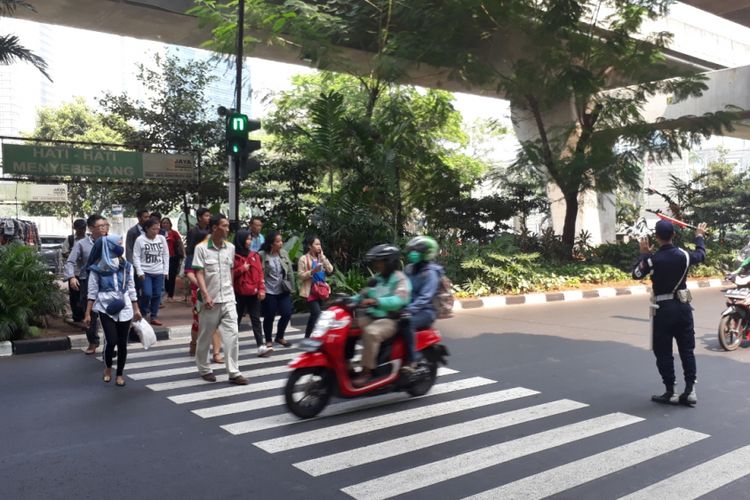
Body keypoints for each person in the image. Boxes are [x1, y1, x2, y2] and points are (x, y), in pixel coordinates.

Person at [632, 220, 707, 406]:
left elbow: (636, 274)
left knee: (663, 352)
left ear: (656, 238)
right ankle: (690, 391)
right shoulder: (684, 256)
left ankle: (670, 391)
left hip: (663, 311)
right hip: (683, 308)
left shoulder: (652, 259)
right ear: (673, 235)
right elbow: (701, 254)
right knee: (687, 350)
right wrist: (699, 236)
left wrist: (644, 254)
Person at [192, 213, 248, 385]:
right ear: (215, 227)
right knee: (205, 336)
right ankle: (204, 368)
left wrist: (231, 289)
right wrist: (206, 294)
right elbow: (198, 272)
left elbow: (230, 270)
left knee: (233, 335)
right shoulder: (201, 248)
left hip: (228, 298)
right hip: (210, 301)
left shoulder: (230, 248)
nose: (227, 229)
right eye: (224, 226)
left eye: (228, 226)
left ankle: (233, 371)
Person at [83, 235, 142, 387]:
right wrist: (88, 313)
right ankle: (108, 368)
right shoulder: (97, 268)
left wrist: (136, 308)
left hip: (125, 306)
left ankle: (120, 374)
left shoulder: (127, 266)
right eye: (118, 244)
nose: (120, 247)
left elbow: (131, 287)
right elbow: (92, 291)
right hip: (105, 307)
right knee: (112, 340)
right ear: (108, 247)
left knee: (122, 343)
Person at [351, 244, 411, 387]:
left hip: (390, 319)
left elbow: (400, 299)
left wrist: (377, 301)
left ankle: (367, 372)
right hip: (373, 316)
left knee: (371, 333)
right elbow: (363, 294)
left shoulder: (400, 279)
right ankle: (346, 364)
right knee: (347, 327)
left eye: (380, 261)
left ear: (390, 262)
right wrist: (346, 300)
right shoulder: (377, 279)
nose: (377, 265)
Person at [64, 214, 109, 354]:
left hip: (107, 281)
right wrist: (71, 277)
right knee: (90, 313)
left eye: (106, 226)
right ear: (91, 228)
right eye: (100, 226)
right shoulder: (81, 244)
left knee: (109, 312)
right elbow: (70, 261)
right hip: (87, 281)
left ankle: (110, 343)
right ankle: (93, 341)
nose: (104, 229)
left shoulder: (111, 242)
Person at [184, 207, 222, 359]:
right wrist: (201, 286)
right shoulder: (194, 254)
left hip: (215, 288)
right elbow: (189, 273)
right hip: (199, 290)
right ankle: (194, 344)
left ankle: (217, 352)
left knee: (216, 321)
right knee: (198, 321)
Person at [403, 236, 441, 370]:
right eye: (412, 250)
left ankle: (413, 358)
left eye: (417, 251)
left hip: (426, 311)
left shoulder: (430, 273)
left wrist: (409, 309)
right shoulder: (408, 269)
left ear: (426, 253)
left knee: (406, 322)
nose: (413, 253)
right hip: (408, 308)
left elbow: (425, 297)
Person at [233, 230, 267, 356]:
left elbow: (259, 273)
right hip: (239, 293)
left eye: (250, 239)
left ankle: (261, 345)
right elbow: (229, 274)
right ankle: (232, 345)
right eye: (247, 239)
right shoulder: (234, 256)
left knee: (256, 319)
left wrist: (262, 289)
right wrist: (241, 269)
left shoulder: (255, 255)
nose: (249, 241)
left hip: (253, 292)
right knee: (235, 320)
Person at [259, 231, 295, 349]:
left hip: (282, 289)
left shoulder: (283, 253)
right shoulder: (262, 255)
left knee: (287, 313)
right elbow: (258, 273)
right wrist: (260, 289)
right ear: (271, 243)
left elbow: (289, 271)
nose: (281, 243)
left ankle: (279, 336)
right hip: (269, 290)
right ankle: (268, 339)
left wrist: (292, 288)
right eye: (278, 241)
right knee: (269, 315)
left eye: (281, 241)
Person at [133, 217, 169, 326]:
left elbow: (165, 254)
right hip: (145, 272)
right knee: (147, 293)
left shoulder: (161, 239)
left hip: (158, 271)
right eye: (153, 229)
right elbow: (136, 256)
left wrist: (165, 270)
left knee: (157, 294)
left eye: (158, 229)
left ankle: (154, 315)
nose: (156, 231)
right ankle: (143, 312)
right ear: (147, 229)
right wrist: (139, 272)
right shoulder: (140, 240)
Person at [298, 235, 334, 338]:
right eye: (316, 244)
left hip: (322, 291)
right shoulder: (303, 259)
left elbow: (330, 270)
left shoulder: (321, 258)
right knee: (317, 313)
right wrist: (313, 271)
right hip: (311, 291)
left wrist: (323, 258)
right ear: (310, 246)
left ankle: (308, 336)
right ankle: (314, 336)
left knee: (315, 315)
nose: (319, 246)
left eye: (319, 244)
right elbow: (300, 275)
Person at [62, 218, 87, 324]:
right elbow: (64, 253)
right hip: (74, 273)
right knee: (75, 296)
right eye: (80, 228)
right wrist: (74, 255)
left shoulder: (89, 239)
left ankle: (86, 314)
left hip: (85, 273)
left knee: (85, 295)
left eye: (84, 228)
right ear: (75, 228)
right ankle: (77, 316)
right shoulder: (70, 239)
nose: (82, 230)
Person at [161, 217, 185, 302]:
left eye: (167, 223)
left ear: (170, 224)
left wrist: (183, 253)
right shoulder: (159, 233)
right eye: (163, 223)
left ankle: (170, 295)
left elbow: (180, 242)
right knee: (164, 276)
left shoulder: (174, 233)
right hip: (162, 258)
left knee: (171, 276)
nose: (165, 224)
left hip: (173, 257)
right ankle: (166, 292)